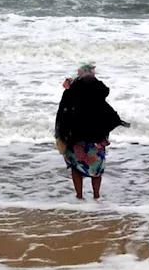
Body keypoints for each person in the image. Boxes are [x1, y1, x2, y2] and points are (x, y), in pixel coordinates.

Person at [54, 62, 128, 200]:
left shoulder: (72, 88)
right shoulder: (98, 89)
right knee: (97, 168)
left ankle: (79, 196)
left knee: (76, 167)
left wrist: (61, 132)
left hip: (75, 135)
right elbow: (105, 94)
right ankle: (96, 196)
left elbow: (64, 109)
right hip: (97, 135)